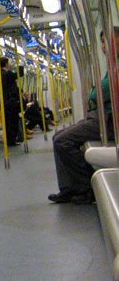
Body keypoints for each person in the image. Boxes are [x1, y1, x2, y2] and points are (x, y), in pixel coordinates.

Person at [48, 27, 118, 204]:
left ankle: (86, 187)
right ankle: (69, 188)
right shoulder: (112, 64)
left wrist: (94, 96)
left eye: (108, 40)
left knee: (62, 141)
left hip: (110, 121)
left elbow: (100, 92)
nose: (104, 46)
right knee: (58, 136)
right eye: (102, 42)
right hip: (103, 117)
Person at [0, 57, 23, 146]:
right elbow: (19, 74)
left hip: (3, 102)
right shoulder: (7, 74)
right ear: (6, 64)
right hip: (11, 102)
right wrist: (21, 65)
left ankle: (9, 140)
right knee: (13, 122)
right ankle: (12, 140)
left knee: (7, 122)